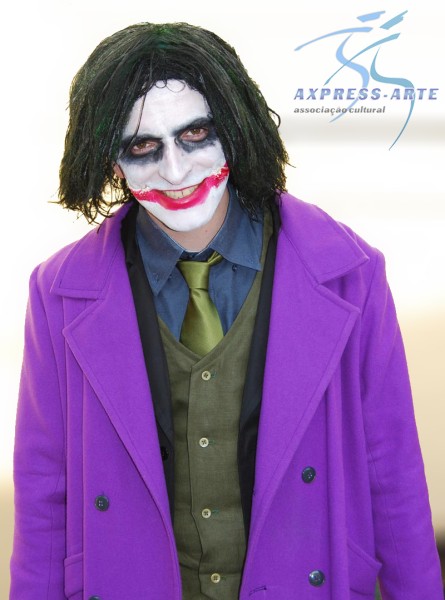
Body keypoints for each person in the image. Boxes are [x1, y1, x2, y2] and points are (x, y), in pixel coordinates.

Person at [10, 21, 443, 600]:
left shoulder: (352, 273)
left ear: (235, 128)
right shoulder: (57, 294)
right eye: (142, 146)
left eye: (195, 134)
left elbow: (393, 474)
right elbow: (45, 492)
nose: (175, 171)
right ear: (109, 161)